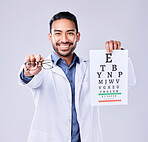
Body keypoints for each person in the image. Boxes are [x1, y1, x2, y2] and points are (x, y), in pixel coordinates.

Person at [18, 11, 136, 142]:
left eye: (70, 33)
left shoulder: (92, 68)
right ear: (50, 37)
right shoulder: (41, 69)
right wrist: (29, 71)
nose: (64, 39)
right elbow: (29, 78)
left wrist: (119, 57)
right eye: (58, 33)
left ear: (77, 36)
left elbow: (127, 83)